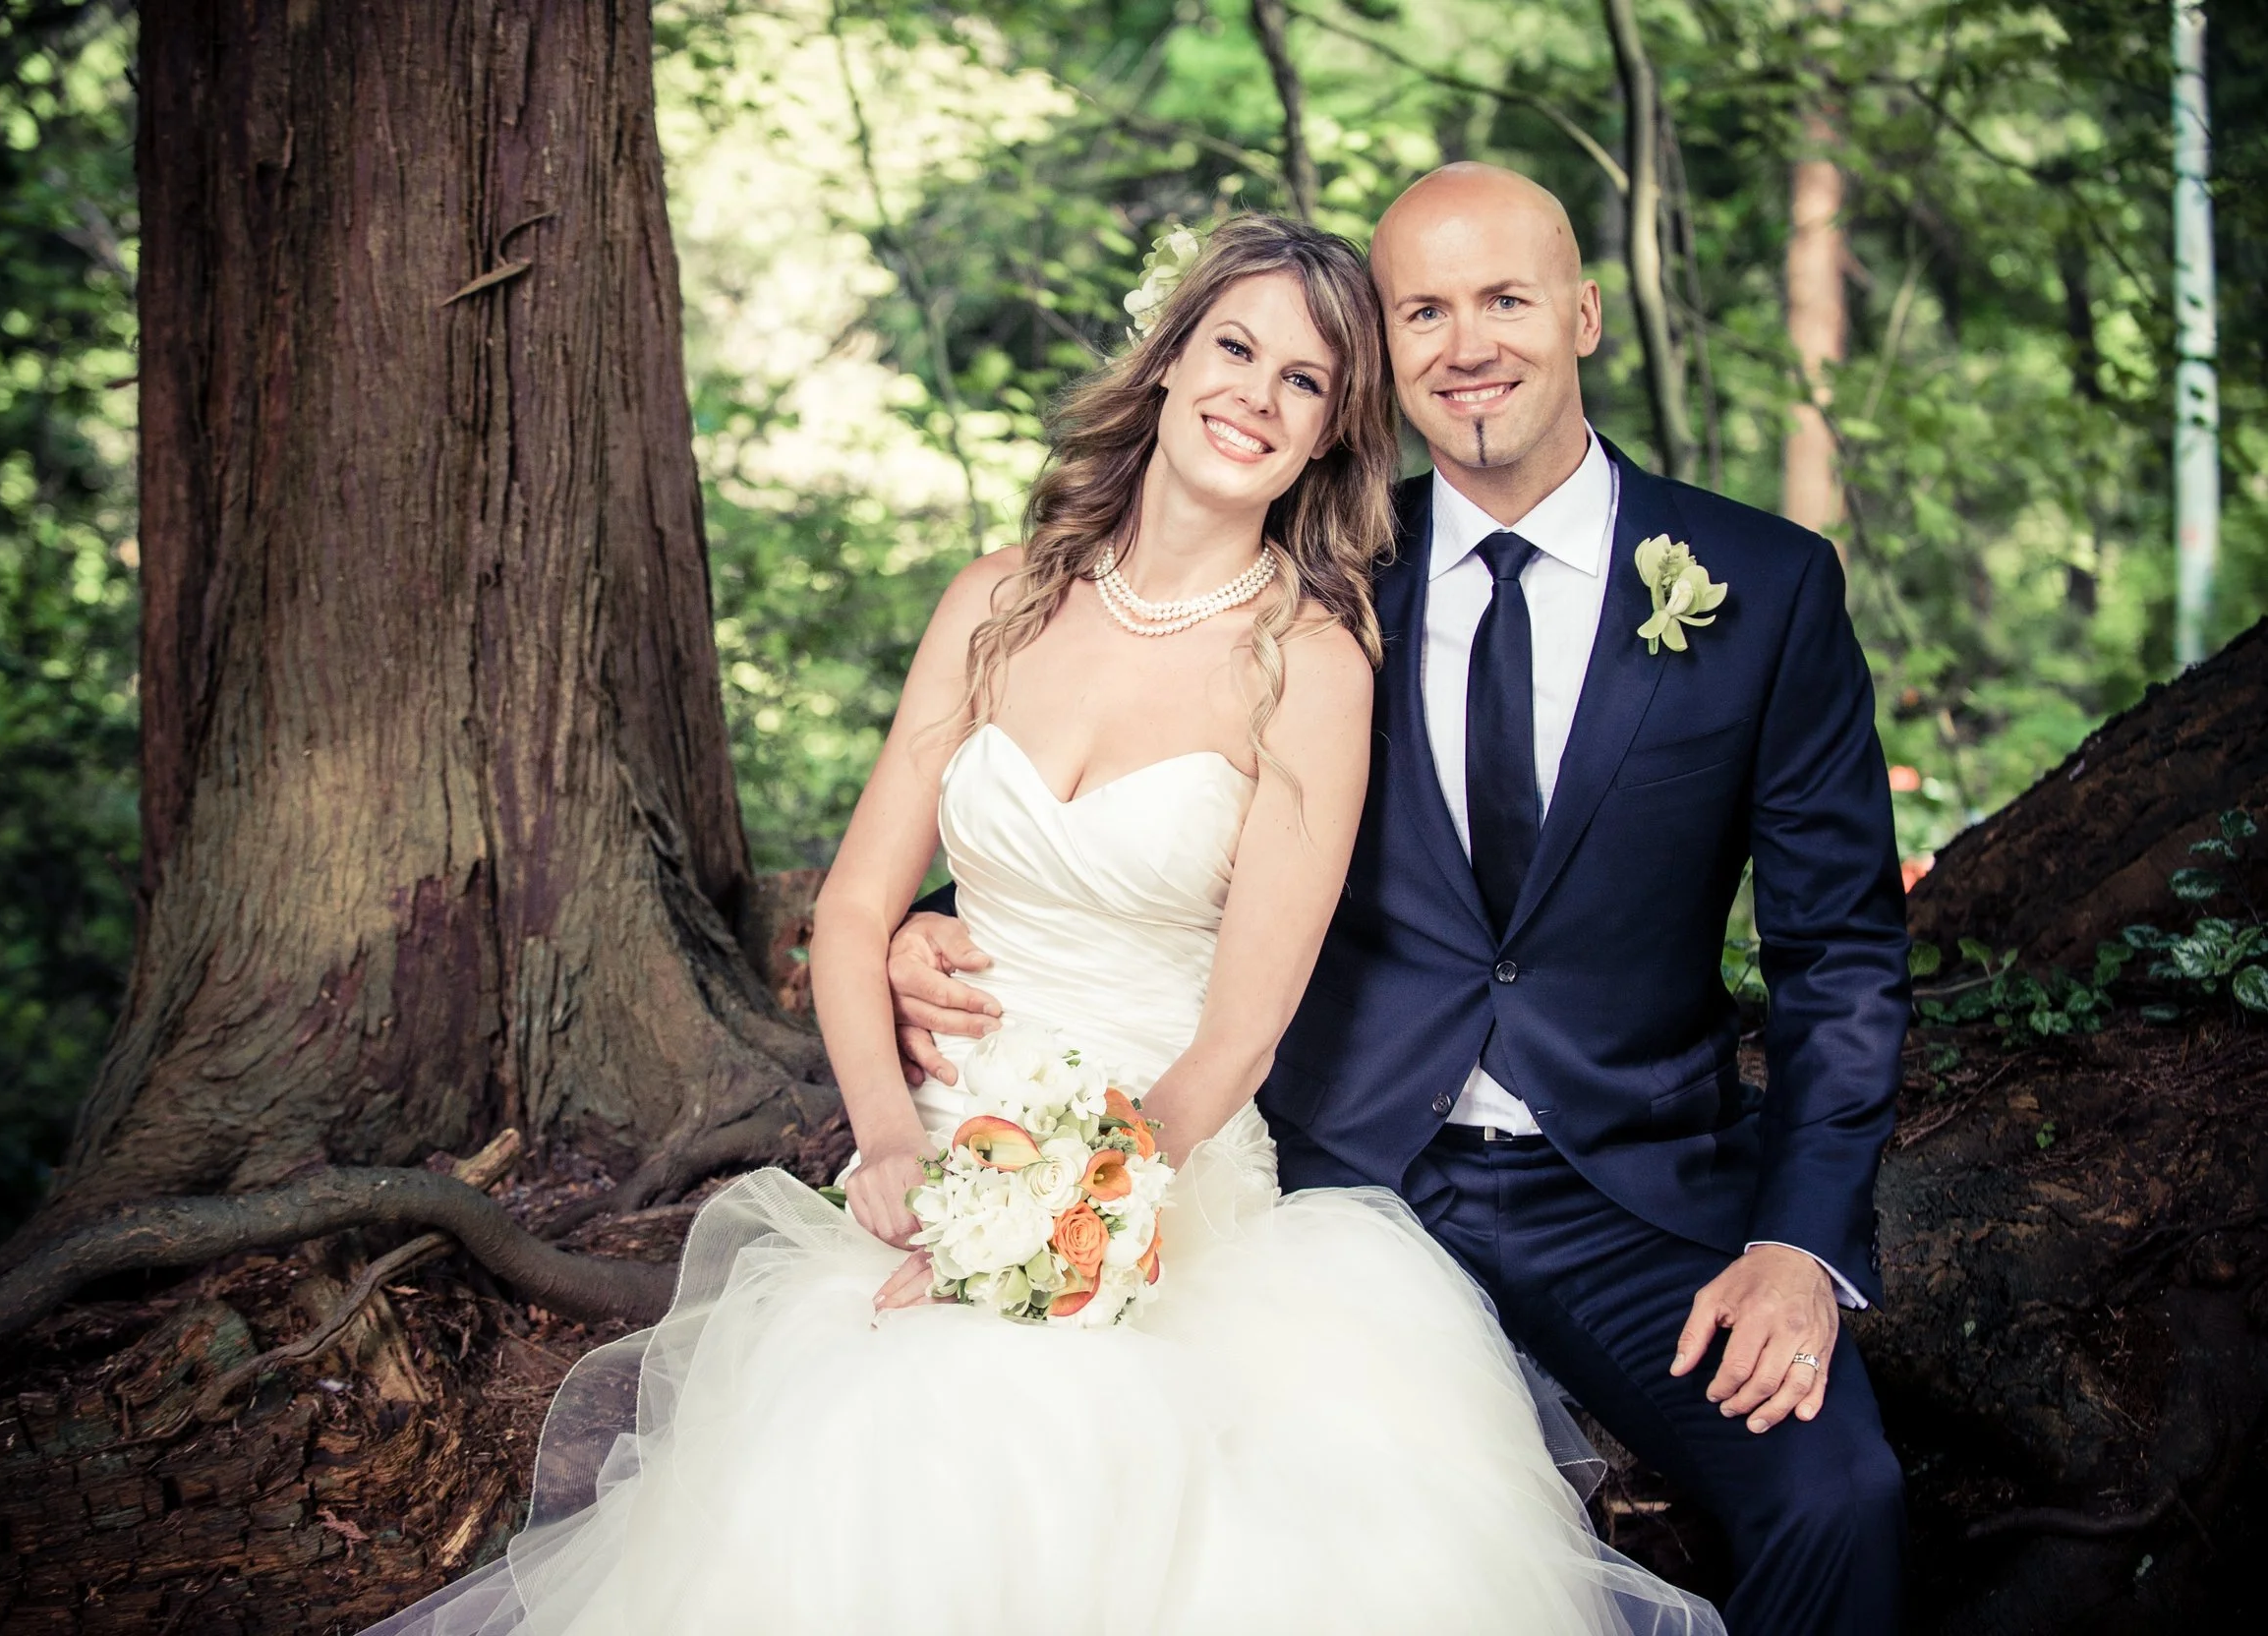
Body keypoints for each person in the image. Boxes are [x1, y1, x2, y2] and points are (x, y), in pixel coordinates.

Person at [367, 213, 1718, 1635]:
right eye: (1235, 348)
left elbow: (1239, 1039)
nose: (1257, 395)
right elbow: (852, 912)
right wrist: (893, 1146)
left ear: (1333, 435)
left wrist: (1063, 1231)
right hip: (943, 1145)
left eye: (1307, 382)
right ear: (1168, 361)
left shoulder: (1311, 661)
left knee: (1056, 1447)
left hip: (1164, 1176)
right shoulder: (994, 605)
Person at [896, 165, 1912, 1636]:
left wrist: (1801, 1244)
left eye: (1503, 299)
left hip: (1630, 1198)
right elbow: (1118, 764)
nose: (1466, 343)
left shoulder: (1760, 586)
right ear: (1385, 354)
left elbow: (1839, 959)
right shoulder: (1322, 568)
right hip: (1343, 1173)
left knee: (1840, 1499)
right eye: (1421, 311)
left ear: (1584, 315)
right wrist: (942, 910)